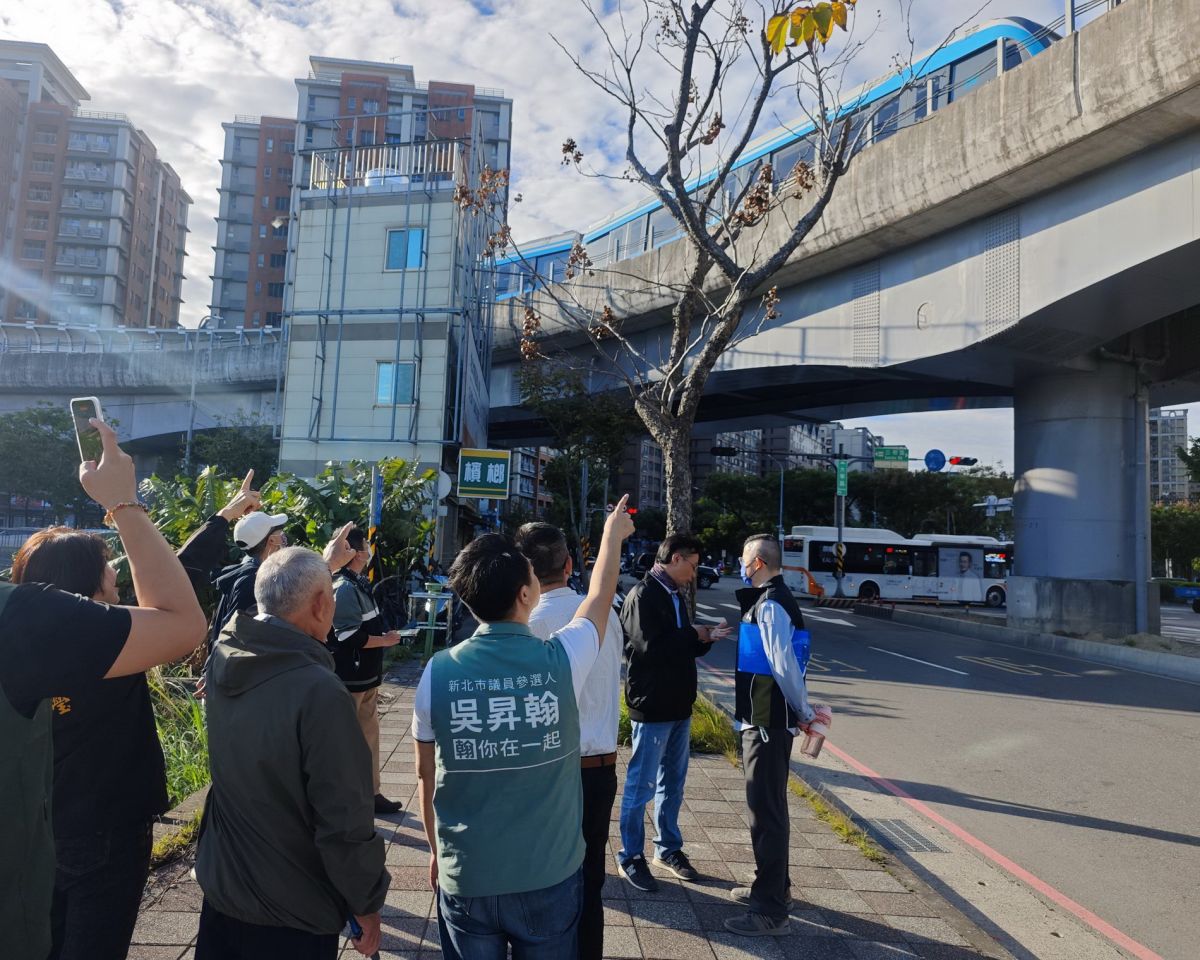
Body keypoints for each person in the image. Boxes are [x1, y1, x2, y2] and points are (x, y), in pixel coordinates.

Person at [0, 419, 207, 960]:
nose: (119, 586)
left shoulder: (19, 626)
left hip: (28, 837)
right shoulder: (91, 640)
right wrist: (122, 504)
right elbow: (178, 616)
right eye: (111, 578)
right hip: (102, 833)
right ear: (87, 592)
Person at [413, 497, 635, 959]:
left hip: (467, 873)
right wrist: (611, 537)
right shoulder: (560, 660)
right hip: (547, 876)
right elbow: (597, 597)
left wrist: (436, 850)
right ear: (525, 595)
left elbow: (425, 775)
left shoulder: (436, 672)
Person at [195, 529, 388, 960]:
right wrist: (367, 901)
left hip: (224, 883)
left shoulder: (227, 658)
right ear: (322, 605)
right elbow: (344, 817)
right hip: (292, 904)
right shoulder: (319, 690)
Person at [515, 521, 623, 960]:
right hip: (601, 768)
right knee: (590, 883)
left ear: (524, 573)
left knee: (542, 882)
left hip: (550, 771)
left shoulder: (528, 626)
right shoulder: (605, 614)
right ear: (569, 563)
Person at [616, 534, 731, 893]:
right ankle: (629, 856)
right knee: (641, 784)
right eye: (693, 566)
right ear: (676, 558)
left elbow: (680, 645)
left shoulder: (674, 594)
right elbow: (648, 648)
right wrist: (692, 634)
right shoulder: (642, 595)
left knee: (673, 785)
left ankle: (667, 849)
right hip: (652, 705)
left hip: (679, 703)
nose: (695, 574)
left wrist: (704, 638)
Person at [725, 534, 818, 937]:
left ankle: (770, 911)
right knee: (767, 809)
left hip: (767, 722)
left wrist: (804, 712)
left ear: (759, 563)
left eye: (744, 560)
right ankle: (773, 888)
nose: (740, 566)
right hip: (765, 719)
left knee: (766, 814)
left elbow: (783, 666)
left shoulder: (771, 605)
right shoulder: (773, 599)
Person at [330, 526, 405, 815]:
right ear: (357, 553)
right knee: (347, 740)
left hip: (367, 678)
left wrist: (384, 637)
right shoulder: (345, 587)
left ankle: (371, 793)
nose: (369, 552)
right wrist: (383, 640)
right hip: (352, 677)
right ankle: (346, 798)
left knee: (369, 736)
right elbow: (347, 635)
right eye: (366, 546)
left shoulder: (356, 582)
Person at [208, 507, 291, 646]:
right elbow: (238, 636)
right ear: (271, 541)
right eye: (281, 534)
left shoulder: (244, 570)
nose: (284, 539)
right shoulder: (253, 580)